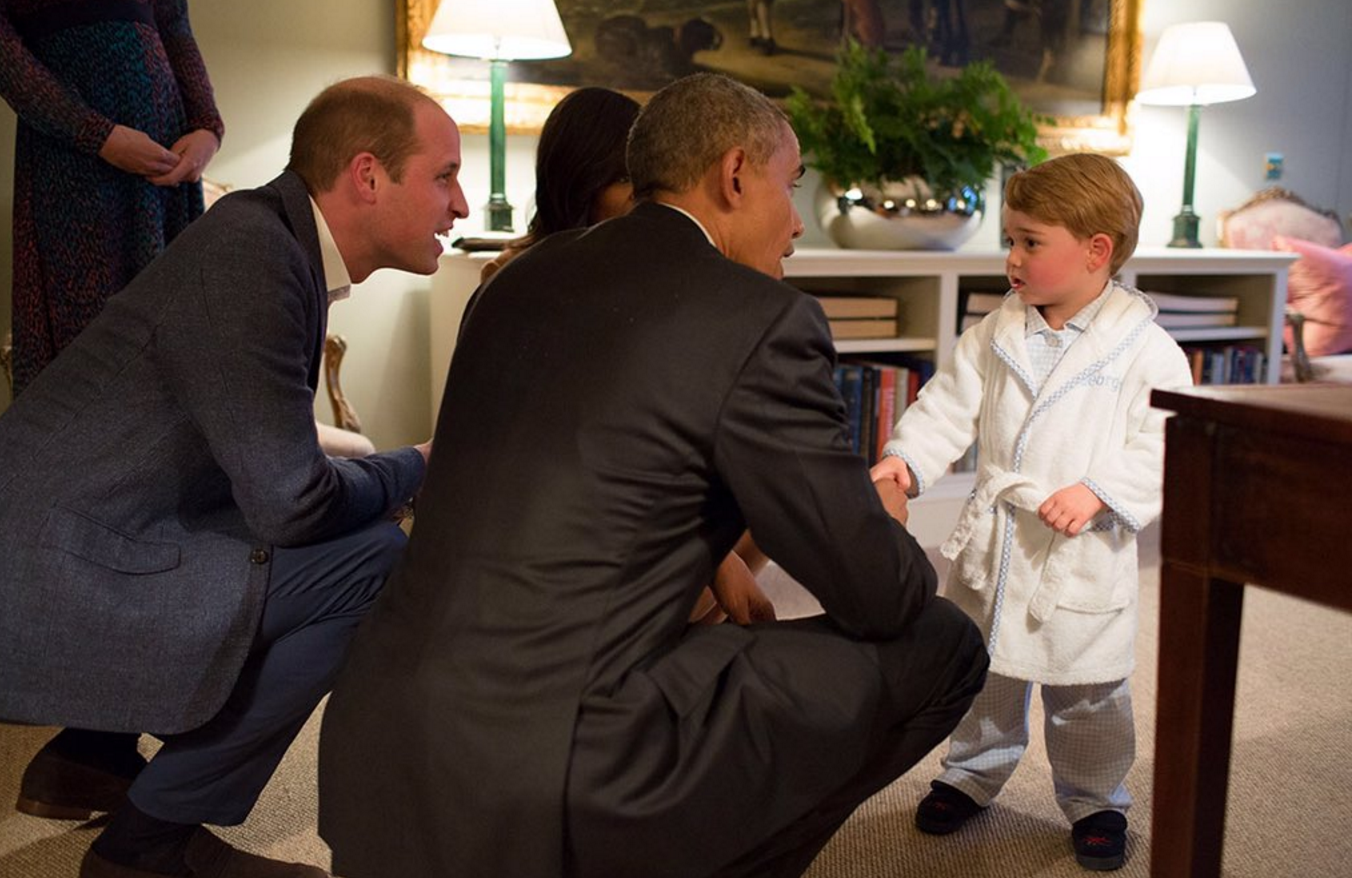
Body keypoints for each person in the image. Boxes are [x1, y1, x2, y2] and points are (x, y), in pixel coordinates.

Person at [318, 72, 988, 878]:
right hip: (555, 766)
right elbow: (875, 592)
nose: (796, 223)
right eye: (791, 185)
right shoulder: (761, 320)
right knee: (941, 642)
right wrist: (880, 519)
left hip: (381, 738)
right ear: (736, 175)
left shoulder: (513, 282)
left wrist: (717, 555)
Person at [0, 74, 468, 878]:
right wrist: (418, 467)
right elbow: (292, 506)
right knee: (377, 564)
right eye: (444, 176)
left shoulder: (266, 240)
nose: (459, 206)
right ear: (366, 175)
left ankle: (93, 756)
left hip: (89, 529)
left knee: (351, 534)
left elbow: (263, 465)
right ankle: (145, 847)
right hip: (55, 567)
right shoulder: (254, 257)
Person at [870, 153, 1194, 871]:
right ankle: (971, 773)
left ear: (1096, 250)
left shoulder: (1146, 350)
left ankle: (1097, 797)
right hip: (1000, 538)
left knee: (1087, 690)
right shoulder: (996, 331)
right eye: (1009, 240)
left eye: (1030, 242)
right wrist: (908, 460)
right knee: (987, 672)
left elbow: (1164, 438)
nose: (1011, 258)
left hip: (1080, 549)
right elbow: (948, 403)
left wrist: (1103, 490)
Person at [0, 0, 224, 397]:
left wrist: (207, 127)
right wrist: (95, 135)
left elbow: (174, 25)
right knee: (90, 347)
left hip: (166, 164)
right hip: (74, 163)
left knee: (175, 335)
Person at [480, 86, 640, 283]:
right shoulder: (511, 274)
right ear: (580, 182)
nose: (642, 193)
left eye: (645, 176)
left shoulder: (658, 265)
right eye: (624, 179)